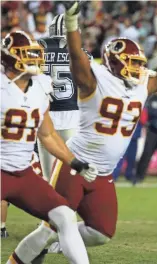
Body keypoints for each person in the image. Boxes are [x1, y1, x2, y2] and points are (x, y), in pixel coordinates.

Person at [17, 2, 157, 262]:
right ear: (114, 61)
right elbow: (77, 57)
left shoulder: (143, 83)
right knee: (53, 225)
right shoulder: (95, 79)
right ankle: (21, 257)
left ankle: (51, 242)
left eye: (138, 63)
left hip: (103, 173)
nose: (137, 68)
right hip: (75, 165)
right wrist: (72, 24)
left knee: (101, 232)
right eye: (132, 62)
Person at [1, 30, 98, 264]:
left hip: (23, 174)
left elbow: (47, 134)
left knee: (65, 216)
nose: (34, 59)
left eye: (36, 54)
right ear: (9, 57)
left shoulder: (41, 85)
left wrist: (74, 162)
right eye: (28, 54)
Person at [36, 14, 92, 181]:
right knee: (75, 175)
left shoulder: (39, 47)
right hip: (73, 115)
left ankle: (51, 206)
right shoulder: (81, 53)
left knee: (48, 177)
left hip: (45, 114)